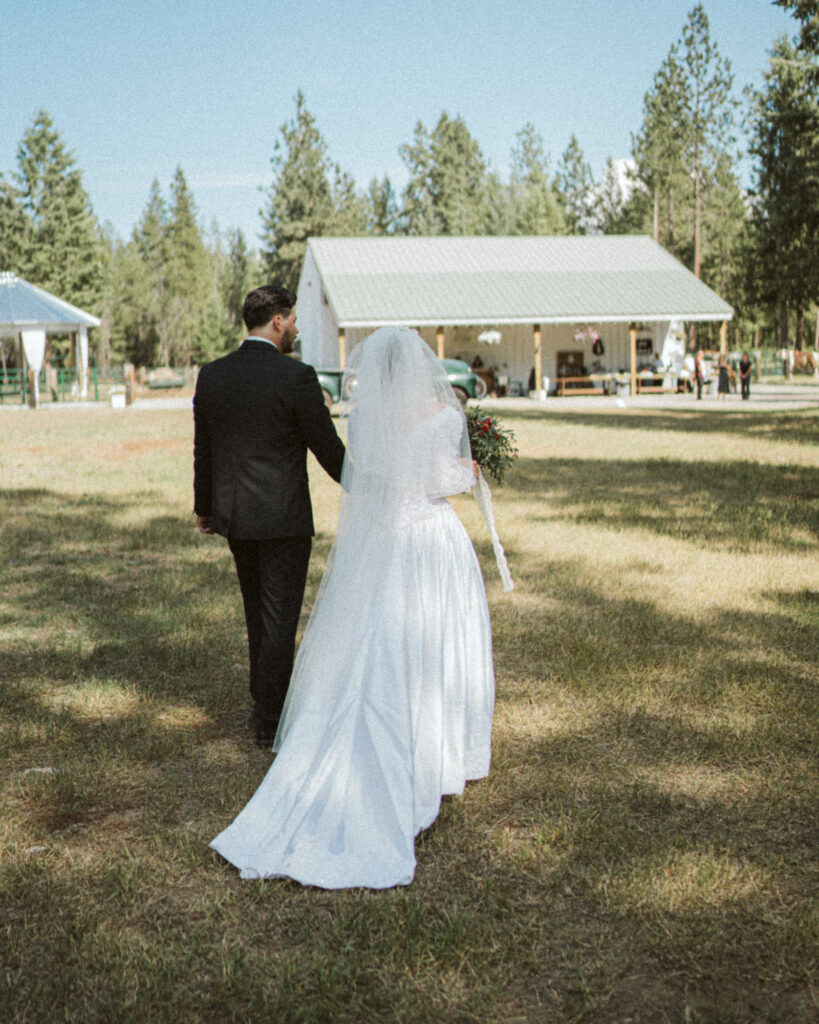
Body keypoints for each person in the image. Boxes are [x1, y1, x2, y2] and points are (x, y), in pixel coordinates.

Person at [210, 326, 495, 888]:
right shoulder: (443, 412)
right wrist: (473, 469)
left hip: (388, 539)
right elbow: (442, 480)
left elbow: (370, 476)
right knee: (431, 645)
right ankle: (437, 748)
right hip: (430, 540)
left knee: (373, 638)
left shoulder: (366, 418)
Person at [193, 286, 345, 747]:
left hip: (237, 518)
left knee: (257, 613)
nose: (296, 328)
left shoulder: (213, 375)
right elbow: (329, 451)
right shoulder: (295, 377)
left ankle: (264, 701)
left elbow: (205, 449)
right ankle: (271, 718)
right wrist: (371, 484)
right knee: (279, 619)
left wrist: (205, 508)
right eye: (294, 319)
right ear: (277, 322)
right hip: (283, 521)